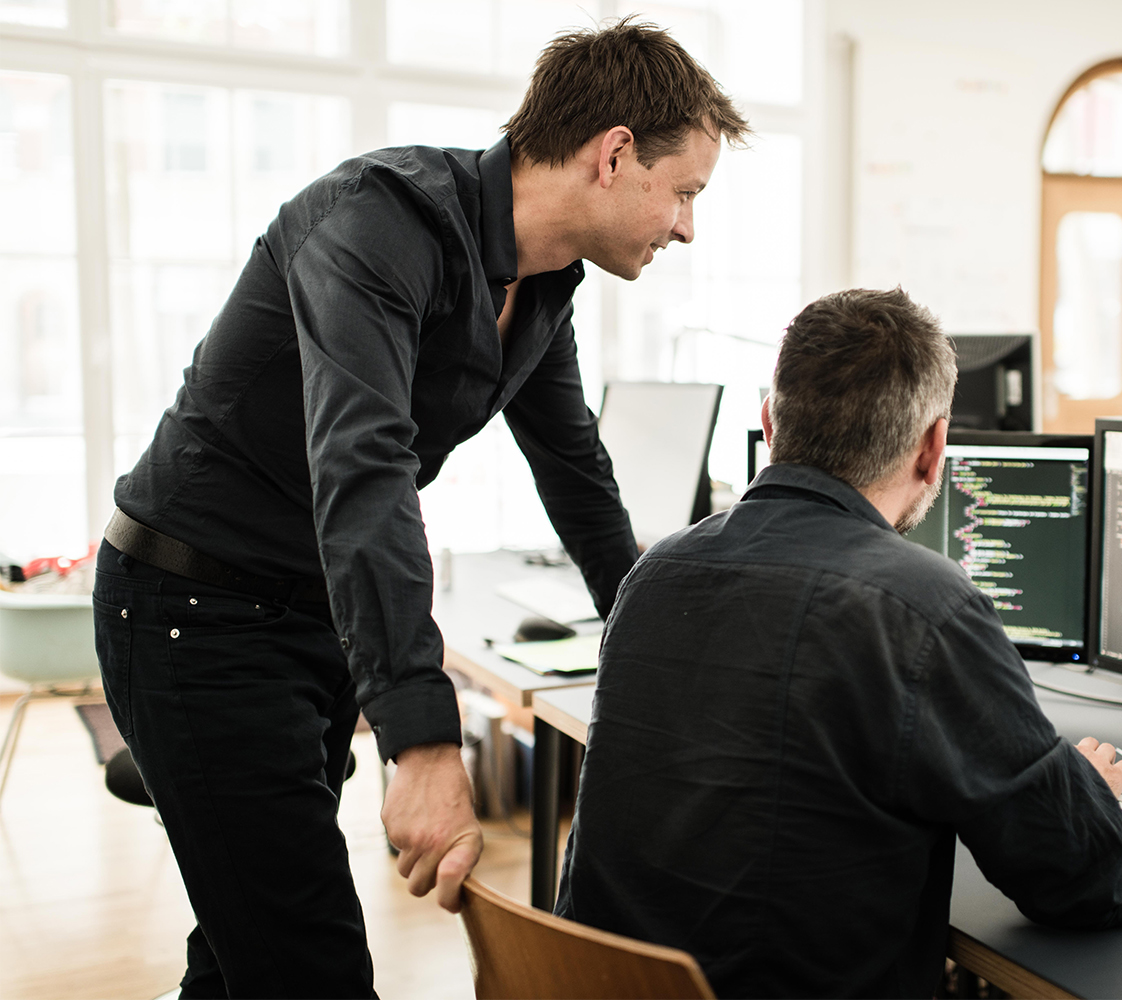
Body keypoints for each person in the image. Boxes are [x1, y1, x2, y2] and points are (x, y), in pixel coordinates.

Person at [91, 20, 748, 999]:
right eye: (686, 191)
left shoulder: (542, 287)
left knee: (241, 953)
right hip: (194, 608)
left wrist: (662, 645)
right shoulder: (377, 222)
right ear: (615, 154)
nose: (688, 226)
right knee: (309, 966)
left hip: (306, 617)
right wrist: (426, 739)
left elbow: (575, 473)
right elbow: (364, 471)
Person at [556, 288, 1122, 998]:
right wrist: (1092, 799)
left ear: (770, 425)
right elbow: (1085, 882)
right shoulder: (926, 607)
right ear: (934, 448)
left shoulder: (652, 575)